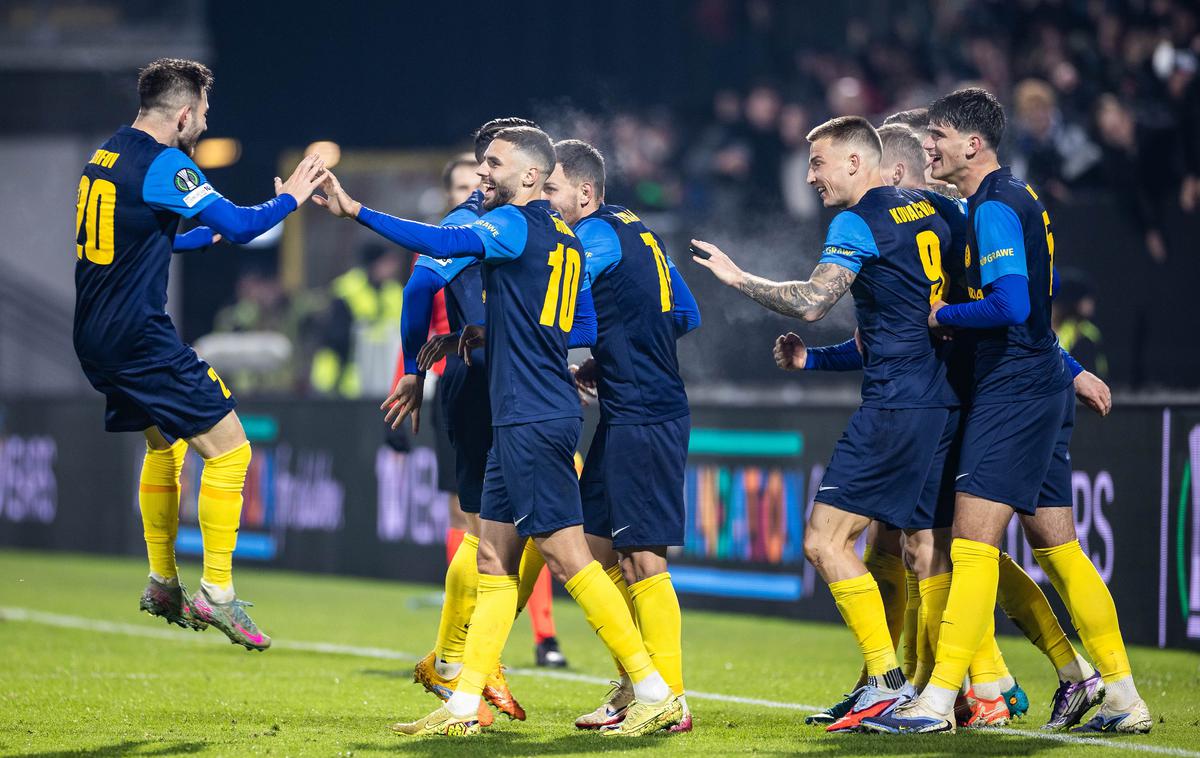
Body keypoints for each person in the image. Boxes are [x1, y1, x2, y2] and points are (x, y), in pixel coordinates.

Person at [315, 126, 682, 737]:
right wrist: (500, 333)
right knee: (492, 556)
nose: (483, 172)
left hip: (531, 413)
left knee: (568, 558)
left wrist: (354, 209)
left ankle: (652, 688)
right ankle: (461, 705)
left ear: (532, 177)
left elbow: (440, 240)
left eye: (493, 163)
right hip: (527, 408)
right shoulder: (563, 234)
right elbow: (582, 320)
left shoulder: (515, 223)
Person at [864, 87, 1150, 735]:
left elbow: (1013, 307)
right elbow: (1037, 319)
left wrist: (944, 316)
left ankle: (942, 701)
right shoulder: (1015, 199)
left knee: (968, 546)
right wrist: (1071, 371)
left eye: (937, 135)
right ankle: (1123, 696)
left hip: (1012, 392)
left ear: (971, 144)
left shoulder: (992, 207)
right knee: (1059, 549)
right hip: (1038, 381)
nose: (929, 145)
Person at [692, 115, 960, 732]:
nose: (811, 175)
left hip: (895, 405)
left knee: (824, 541)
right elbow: (898, 318)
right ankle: (930, 688)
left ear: (856, 163)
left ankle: (890, 683)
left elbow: (814, 301)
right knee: (917, 547)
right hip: (939, 399)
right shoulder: (932, 211)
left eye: (819, 162)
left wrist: (739, 278)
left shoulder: (856, 219)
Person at [73, 57, 327, 650]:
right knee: (232, 450)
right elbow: (241, 226)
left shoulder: (105, 154)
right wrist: (290, 197)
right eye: (205, 115)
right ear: (184, 113)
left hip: (95, 334)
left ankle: (163, 580)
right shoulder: (166, 164)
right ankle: (217, 592)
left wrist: (188, 236)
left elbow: (124, 237)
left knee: (164, 441)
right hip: (138, 336)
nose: (206, 126)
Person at [542, 140, 701, 732]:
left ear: (583, 193)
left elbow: (556, 289)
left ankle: (671, 700)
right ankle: (637, 684)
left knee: (643, 558)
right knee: (599, 549)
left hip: (646, 415)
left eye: (551, 191)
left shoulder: (595, 236)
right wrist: (613, 356)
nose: (544, 202)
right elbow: (685, 314)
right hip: (629, 410)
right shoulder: (640, 230)